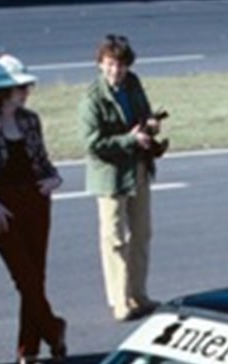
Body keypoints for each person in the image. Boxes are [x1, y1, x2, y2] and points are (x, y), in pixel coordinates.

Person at [0, 54, 68, 364]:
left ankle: (29, 349)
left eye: (26, 86)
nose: (25, 92)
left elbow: (42, 159)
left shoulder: (30, 120)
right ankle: (53, 328)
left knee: (35, 275)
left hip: (36, 200)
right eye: (19, 87)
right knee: (23, 276)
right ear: (3, 90)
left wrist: (55, 178)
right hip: (2, 205)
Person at [81, 34, 163, 322]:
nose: (116, 70)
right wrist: (129, 140)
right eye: (110, 64)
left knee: (142, 233)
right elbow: (93, 143)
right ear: (101, 64)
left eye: (121, 65)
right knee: (115, 238)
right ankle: (119, 299)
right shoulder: (93, 97)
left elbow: (144, 112)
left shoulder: (133, 84)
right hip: (110, 175)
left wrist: (150, 124)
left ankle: (139, 293)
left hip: (138, 168)